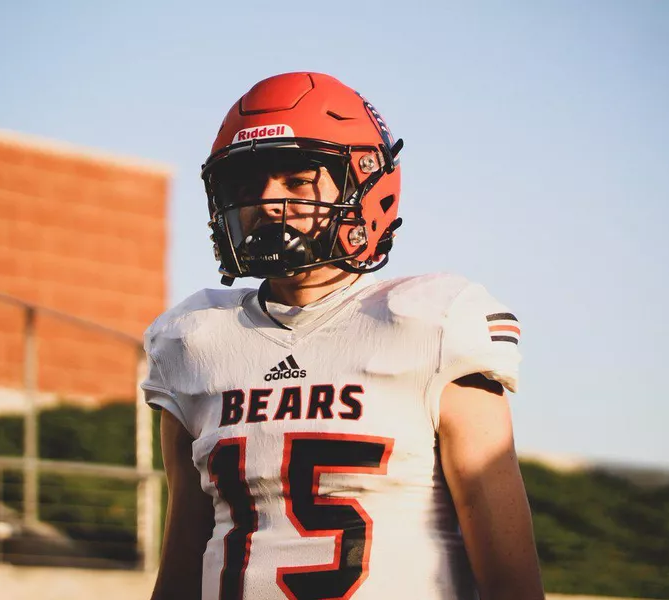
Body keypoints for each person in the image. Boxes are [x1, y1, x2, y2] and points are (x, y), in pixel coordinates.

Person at [142, 72, 545, 600]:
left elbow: (510, 576)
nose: (266, 202)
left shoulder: (432, 324)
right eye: (247, 186)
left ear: (365, 184)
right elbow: (184, 554)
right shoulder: (194, 340)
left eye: (296, 180)